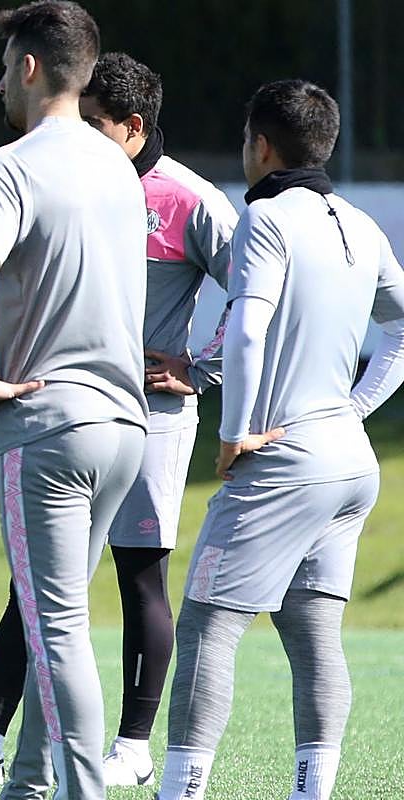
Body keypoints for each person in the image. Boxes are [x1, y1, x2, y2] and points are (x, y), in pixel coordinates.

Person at [0, 51, 239, 790]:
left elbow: (258, 291)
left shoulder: (184, 197)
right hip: (93, 415)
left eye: (96, 121)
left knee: (130, 582)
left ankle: (129, 747)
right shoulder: (82, 174)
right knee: (41, 593)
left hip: (139, 417)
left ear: (134, 127)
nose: (78, 130)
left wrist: (200, 368)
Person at [157, 80, 404, 800]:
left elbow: (248, 330)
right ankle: (311, 792)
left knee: (207, 626)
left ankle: (179, 792)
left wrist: (234, 433)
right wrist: (354, 410)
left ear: (262, 146)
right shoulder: (360, 224)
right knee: (312, 631)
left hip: (283, 459)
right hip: (349, 463)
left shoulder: (265, 217)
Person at [0, 4, 148, 800]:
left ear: (30, 68)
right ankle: (28, 785)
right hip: (125, 427)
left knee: (57, 627)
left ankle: (80, 791)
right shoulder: (120, 169)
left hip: (49, 425)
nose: (0, 82)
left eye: (6, 67)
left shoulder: (13, 164)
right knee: (51, 622)